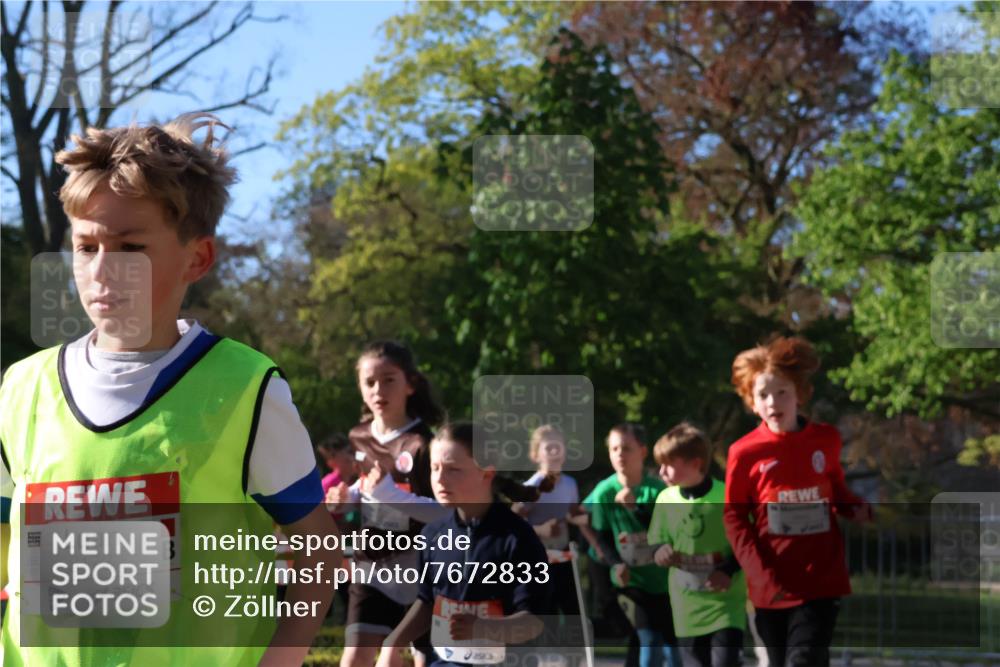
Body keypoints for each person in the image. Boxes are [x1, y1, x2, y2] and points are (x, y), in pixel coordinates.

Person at [0, 114, 340, 667]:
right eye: (86, 248)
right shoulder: (20, 390)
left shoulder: (246, 389)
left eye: (131, 247)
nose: (104, 270)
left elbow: (319, 555)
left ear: (197, 258)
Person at [724, 336, 872, 667]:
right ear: (752, 401)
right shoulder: (744, 452)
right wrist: (758, 573)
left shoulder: (825, 440)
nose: (773, 402)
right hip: (771, 583)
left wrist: (855, 508)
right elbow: (735, 518)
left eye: (782, 393)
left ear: (799, 396)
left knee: (803, 660)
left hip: (820, 579)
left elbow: (836, 490)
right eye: (763, 395)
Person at [376, 422, 554, 667]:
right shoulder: (433, 534)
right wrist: (392, 644)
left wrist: (483, 628)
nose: (439, 479)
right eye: (434, 468)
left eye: (453, 470)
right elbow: (427, 602)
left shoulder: (518, 538)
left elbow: (533, 623)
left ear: (486, 473)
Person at [328, 341, 449, 667]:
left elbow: (445, 511)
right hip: (371, 568)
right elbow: (366, 489)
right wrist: (348, 497)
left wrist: (389, 495)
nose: (378, 389)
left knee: (416, 660)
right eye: (369, 382)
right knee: (354, 659)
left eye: (389, 380)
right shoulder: (358, 437)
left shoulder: (426, 443)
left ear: (410, 384)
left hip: (420, 571)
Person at [648, 423, 747, 667]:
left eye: (669, 464)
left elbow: (746, 541)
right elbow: (656, 541)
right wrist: (660, 551)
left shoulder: (726, 497)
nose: (662, 472)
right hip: (686, 605)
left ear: (695, 463)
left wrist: (727, 569)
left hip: (725, 604)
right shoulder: (665, 498)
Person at [586, 423, 681, 667]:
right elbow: (601, 535)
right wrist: (616, 563)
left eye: (626, 448)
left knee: (674, 650)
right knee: (648, 643)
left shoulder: (658, 490)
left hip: (664, 580)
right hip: (633, 582)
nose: (619, 454)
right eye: (614, 448)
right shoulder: (604, 492)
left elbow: (668, 532)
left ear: (642, 452)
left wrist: (635, 508)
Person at [512, 424, 582, 619]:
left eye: (558, 446)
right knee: (544, 614)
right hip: (537, 561)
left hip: (564, 557)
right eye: (548, 447)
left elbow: (573, 515)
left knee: (573, 614)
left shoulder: (570, 484)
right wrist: (540, 530)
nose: (554, 452)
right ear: (536, 455)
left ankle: (574, 651)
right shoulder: (532, 487)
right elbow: (512, 525)